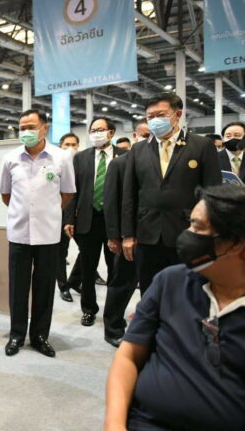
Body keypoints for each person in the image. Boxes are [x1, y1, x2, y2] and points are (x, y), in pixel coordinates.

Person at [105, 184, 245, 430]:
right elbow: (127, 355)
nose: (187, 235)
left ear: (236, 244)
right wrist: (114, 425)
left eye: (198, 228)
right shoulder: (171, 281)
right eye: (189, 224)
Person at [122, 93, 222, 294]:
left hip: (187, 232)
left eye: (161, 114)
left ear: (178, 114)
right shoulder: (138, 150)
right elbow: (129, 194)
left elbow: (212, 192)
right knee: (149, 291)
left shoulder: (201, 146)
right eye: (150, 117)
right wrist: (128, 235)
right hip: (147, 233)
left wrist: (209, 234)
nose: (155, 120)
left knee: (185, 291)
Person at [0, 109, 75, 358]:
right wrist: (25, 213)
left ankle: (40, 335)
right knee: (17, 288)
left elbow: (67, 194)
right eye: (22, 128)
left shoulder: (61, 157)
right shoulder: (10, 158)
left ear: (44, 128)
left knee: (44, 288)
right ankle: (16, 335)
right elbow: (6, 195)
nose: (26, 132)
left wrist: (47, 212)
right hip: (19, 234)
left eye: (31, 127)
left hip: (49, 235)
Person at [64, 118, 125, 327]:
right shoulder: (80, 158)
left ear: (111, 132)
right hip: (86, 222)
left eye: (100, 130)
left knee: (115, 270)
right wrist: (69, 219)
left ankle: (113, 313)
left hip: (114, 223)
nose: (96, 133)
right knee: (88, 270)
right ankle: (89, 309)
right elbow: (73, 191)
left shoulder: (126, 156)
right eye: (92, 130)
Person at [102, 121, 150, 347]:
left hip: (155, 235)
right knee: (122, 282)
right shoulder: (119, 164)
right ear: (135, 136)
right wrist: (114, 236)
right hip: (126, 235)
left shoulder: (161, 163)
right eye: (145, 134)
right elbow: (111, 203)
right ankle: (112, 328)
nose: (149, 138)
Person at [57, 133, 82, 302]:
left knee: (87, 251)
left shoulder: (82, 164)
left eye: (74, 144)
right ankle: (63, 285)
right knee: (61, 253)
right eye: (66, 144)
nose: (70, 147)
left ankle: (75, 280)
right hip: (59, 216)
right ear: (61, 146)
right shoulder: (56, 164)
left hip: (81, 216)